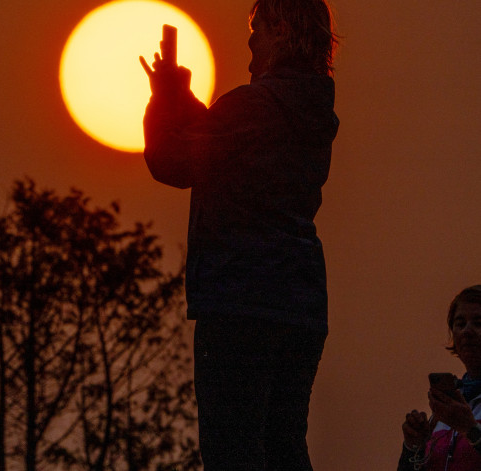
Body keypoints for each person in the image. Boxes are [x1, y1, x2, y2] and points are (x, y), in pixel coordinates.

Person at [139, 0, 339, 469]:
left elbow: (174, 160)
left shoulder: (254, 105)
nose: (250, 40)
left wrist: (164, 96)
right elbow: (216, 141)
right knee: (284, 444)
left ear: (282, 32)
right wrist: (181, 98)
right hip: (301, 301)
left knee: (234, 448)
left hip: (239, 297)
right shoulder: (311, 111)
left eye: (260, 29)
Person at [399, 285, 481, 471]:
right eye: (460, 324)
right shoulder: (449, 409)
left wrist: (470, 430)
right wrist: (414, 447)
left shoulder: (457, 414)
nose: (467, 331)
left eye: (478, 323)